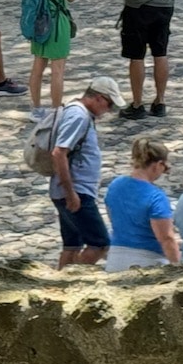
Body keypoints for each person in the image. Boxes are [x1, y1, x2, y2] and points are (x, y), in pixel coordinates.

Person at [49, 77, 123, 268]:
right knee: (100, 244)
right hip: (76, 191)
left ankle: (57, 284)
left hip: (70, 190)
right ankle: (70, 282)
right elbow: (59, 152)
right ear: (98, 98)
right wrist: (71, 193)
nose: (109, 110)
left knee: (72, 245)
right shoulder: (79, 116)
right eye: (109, 104)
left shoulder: (78, 112)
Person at [104, 137, 179, 270]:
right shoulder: (156, 197)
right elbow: (166, 239)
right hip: (147, 261)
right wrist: (177, 266)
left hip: (115, 258)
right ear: (158, 165)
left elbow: (113, 217)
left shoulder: (115, 185)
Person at [25, 0, 76, 116]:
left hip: (38, 23)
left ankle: (36, 108)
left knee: (37, 66)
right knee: (57, 70)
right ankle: (56, 109)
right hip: (56, 24)